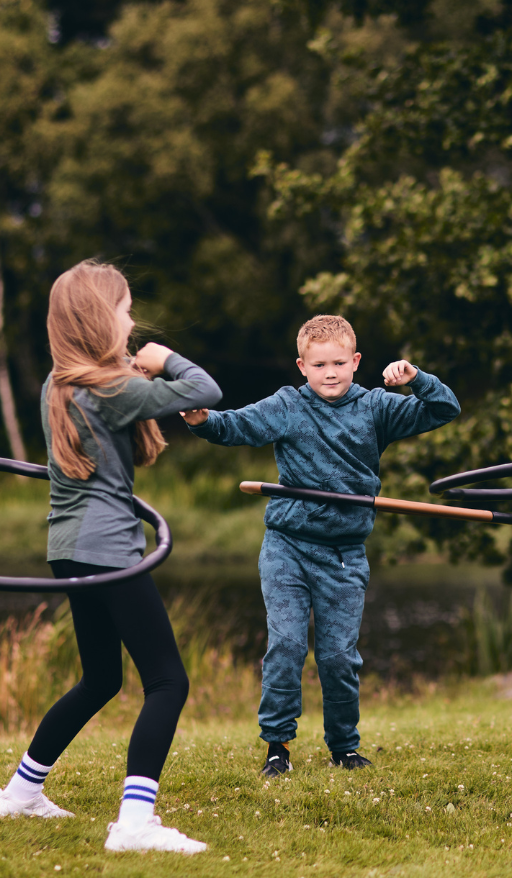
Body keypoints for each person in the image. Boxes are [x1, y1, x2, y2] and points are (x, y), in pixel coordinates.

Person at [0, 261, 221, 855]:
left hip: (67, 550)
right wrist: (164, 358)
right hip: (110, 549)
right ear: (99, 318)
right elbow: (205, 391)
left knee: (100, 678)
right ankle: (135, 823)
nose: (132, 320)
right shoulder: (110, 389)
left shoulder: (57, 384)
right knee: (168, 680)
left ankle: (19, 793)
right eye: (124, 310)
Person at [181, 314, 460, 777]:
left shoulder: (376, 407)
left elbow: (443, 410)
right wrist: (202, 421)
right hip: (287, 546)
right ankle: (278, 747)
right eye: (319, 364)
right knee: (287, 645)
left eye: (338, 363)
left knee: (338, 657)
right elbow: (237, 426)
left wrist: (416, 379)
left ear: (355, 361)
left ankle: (344, 748)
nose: (329, 373)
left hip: (345, 554)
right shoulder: (288, 405)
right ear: (301, 366)